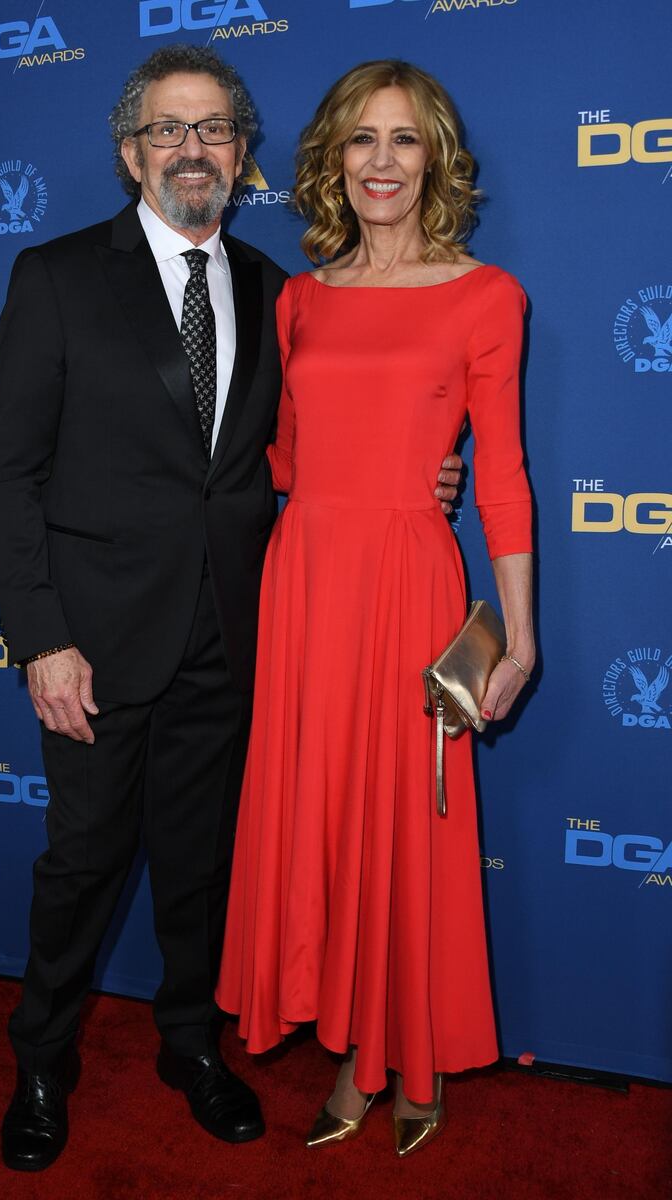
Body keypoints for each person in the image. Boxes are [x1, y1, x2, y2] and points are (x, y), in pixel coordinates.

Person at [0, 45, 462, 1171]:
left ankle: (188, 1043)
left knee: (200, 864)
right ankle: (41, 1059)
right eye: (166, 129)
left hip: (237, 637)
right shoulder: (53, 276)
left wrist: (415, 477)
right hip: (92, 644)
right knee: (84, 864)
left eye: (212, 130)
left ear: (241, 154)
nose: (190, 149)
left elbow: (299, 454)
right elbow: (8, 477)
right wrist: (41, 638)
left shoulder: (273, 290)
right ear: (128, 150)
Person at [216, 59, 535, 1156]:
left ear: (434, 158)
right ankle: (352, 1039)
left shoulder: (487, 295)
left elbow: (499, 473)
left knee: (407, 822)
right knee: (326, 815)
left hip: (406, 581)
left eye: (403, 140)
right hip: (305, 584)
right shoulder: (299, 299)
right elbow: (287, 461)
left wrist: (519, 629)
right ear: (331, 162)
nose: (381, 162)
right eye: (360, 140)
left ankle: (406, 1053)